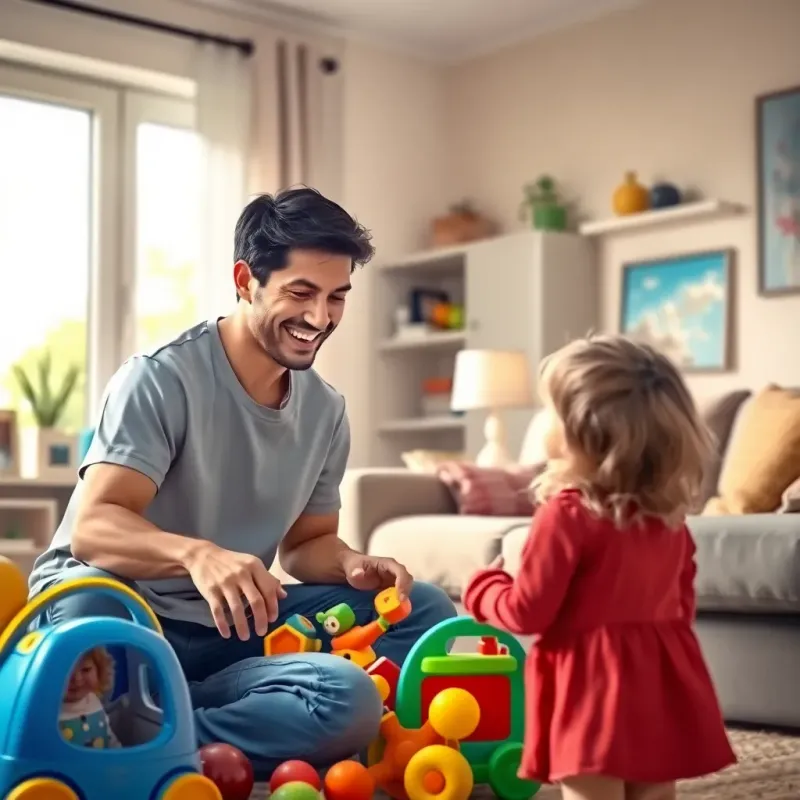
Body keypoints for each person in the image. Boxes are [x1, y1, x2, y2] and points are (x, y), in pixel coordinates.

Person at [29, 187, 456, 777]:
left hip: (231, 623)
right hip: (124, 609)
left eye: (337, 297)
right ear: (244, 279)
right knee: (90, 610)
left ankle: (151, 724)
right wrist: (198, 555)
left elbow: (305, 548)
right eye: (300, 293)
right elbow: (95, 530)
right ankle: (201, 718)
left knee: (419, 611)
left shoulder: (326, 411)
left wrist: (353, 563)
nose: (319, 317)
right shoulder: (160, 378)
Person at [464, 334, 736, 800]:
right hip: (657, 679)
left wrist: (485, 585)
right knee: (654, 789)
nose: (543, 419)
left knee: (591, 787)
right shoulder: (668, 519)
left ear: (582, 428)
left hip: (587, 687)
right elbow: (681, 606)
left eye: (549, 409)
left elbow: (528, 613)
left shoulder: (567, 514)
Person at [59, 647, 121, 749]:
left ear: (100, 670)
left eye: (86, 670)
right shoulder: (47, 711)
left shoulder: (94, 699)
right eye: (67, 671)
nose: (77, 679)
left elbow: (109, 738)